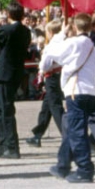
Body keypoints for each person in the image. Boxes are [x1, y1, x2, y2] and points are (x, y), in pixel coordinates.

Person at [42, 13, 95, 184]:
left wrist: (61, 34)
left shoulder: (74, 43)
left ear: (74, 27)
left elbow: (51, 51)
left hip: (77, 90)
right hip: (89, 91)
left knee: (76, 131)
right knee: (70, 127)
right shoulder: (91, 44)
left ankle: (85, 169)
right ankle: (63, 164)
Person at [0, 1, 31, 159]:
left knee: (6, 111)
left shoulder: (7, 29)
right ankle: (3, 144)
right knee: (1, 109)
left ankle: (11, 147)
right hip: (16, 72)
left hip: (5, 73)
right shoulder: (26, 31)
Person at [26, 19, 66, 148]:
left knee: (55, 107)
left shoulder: (53, 45)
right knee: (46, 108)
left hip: (52, 75)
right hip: (57, 75)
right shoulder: (63, 42)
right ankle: (38, 134)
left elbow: (45, 64)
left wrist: (42, 69)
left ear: (50, 32)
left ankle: (67, 135)